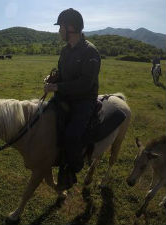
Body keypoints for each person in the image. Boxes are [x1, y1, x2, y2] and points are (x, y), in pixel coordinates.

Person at [44, 8, 101, 190]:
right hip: (64, 96)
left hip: (84, 100)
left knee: (72, 134)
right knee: (44, 119)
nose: (59, 30)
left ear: (71, 27)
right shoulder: (65, 51)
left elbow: (85, 84)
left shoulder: (90, 52)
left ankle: (73, 168)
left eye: (60, 26)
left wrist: (57, 87)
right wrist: (53, 79)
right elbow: (62, 73)